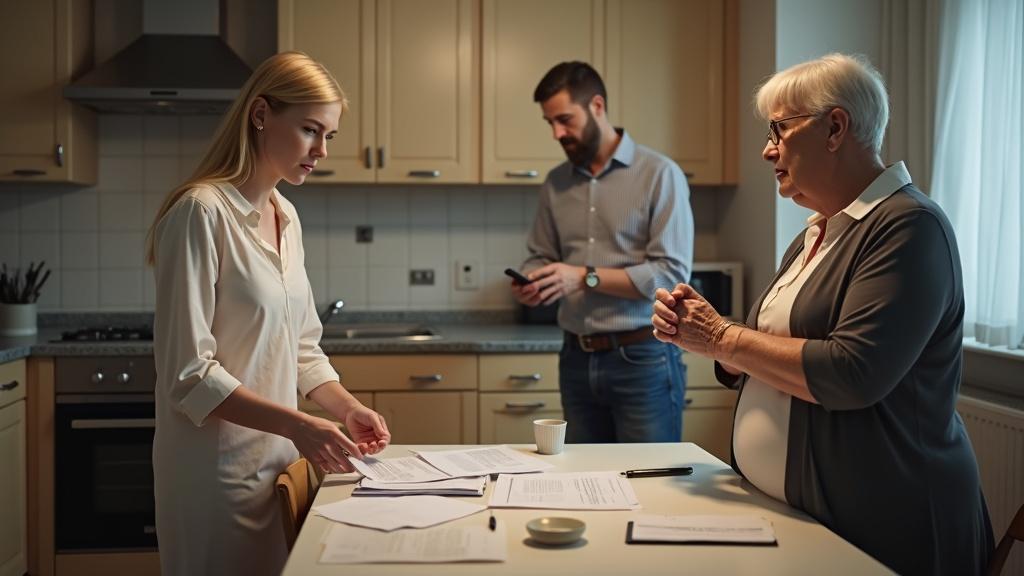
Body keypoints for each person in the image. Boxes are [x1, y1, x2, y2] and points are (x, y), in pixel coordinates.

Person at [652, 53, 993, 575]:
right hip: (799, 518)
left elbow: (851, 373)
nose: (768, 150)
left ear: (835, 128)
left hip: (888, 526)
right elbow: (766, 347)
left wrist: (722, 337)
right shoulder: (816, 231)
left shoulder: (909, 226)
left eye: (779, 130)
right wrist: (705, 337)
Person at [145, 51, 391, 576]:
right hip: (214, 473)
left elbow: (301, 346)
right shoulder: (200, 213)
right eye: (309, 130)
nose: (321, 150)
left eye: (329, 136)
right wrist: (302, 424)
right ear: (260, 114)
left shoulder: (286, 214)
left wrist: (345, 408)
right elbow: (190, 377)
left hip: (279, 467)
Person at [512, 61, 693, 443]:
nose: (558, 133)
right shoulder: (556, 183)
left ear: (596, 106)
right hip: (575, 358)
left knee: (651, 484)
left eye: (564, 119)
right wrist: (534, 279)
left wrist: (581, 276)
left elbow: (672, 274)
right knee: (583, 486)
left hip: (643, 357)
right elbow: (540, 255)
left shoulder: (660, 174)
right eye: (550, 123)